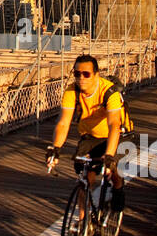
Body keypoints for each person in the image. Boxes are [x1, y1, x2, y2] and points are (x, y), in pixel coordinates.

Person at [45, 54, 126, 213]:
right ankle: (83, 223)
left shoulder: (109, 92)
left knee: (112, 168)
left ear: (96, 74)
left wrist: (109, 156)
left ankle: (118, 187)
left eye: (86, 74)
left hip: (112, 135)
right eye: (77, 74)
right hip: (88, 137)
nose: (81, 78)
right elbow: (63, 122)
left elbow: (114, 124)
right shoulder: (72, 91)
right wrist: (55, 148)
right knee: (84, 179)